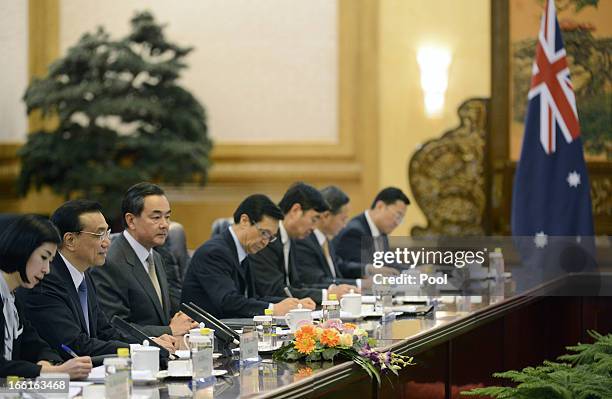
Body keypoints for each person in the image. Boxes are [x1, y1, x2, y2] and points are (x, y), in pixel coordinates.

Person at [18, 200, 175, 363]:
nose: (107, 242)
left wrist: (147, 342)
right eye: (99, 235)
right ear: (70, 240)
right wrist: (141, 350)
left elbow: (106, 331)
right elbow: (76, 345)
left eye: (107, 233)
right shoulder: (45, 280)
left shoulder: (84, 274)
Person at [89, 183, 197, 337]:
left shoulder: (156, 256)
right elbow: (114, 326)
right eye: (156, 217)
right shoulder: (109, 261)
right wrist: (170, 330)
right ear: (131, 220)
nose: (165, 225)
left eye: (167, 217)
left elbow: (163, 315)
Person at [181, 194, 312, 318]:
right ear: (244, 221)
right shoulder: (214, 253)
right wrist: (273, 309)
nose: (265, 242)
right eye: (264, 233)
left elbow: (252, 299)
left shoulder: (242, 251)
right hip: (203, 333)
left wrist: (293, 304)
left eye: (270, 237)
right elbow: (228, 301)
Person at [0, 215, 91, 378]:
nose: (46, 269)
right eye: (43, 258)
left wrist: (46, 360)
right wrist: (53, 372)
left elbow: (35, 344)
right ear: (22, 249)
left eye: (50, 261)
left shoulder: (13, 297)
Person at [250, 182, 355, 303]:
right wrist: (327, 295)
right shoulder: (267, 238)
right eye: (313, 219)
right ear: (295, 211)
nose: (314, 227)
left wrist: (331, 290)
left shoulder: (291, 238)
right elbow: (274, 290)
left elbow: (296, 285)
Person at [294, 186, 364, 289]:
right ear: (326, 216)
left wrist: (368, 269)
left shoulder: (326, 240)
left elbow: (339, 267)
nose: (345, 225)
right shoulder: (304, 241)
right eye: (343, 219)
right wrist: (360, 284)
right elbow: (316, 280)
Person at [333, 187, 410, 278]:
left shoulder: (382, 232)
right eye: (397, 216)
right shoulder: (354, 232)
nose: (397, 223)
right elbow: (356, 271)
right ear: (380, 206)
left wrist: (412, 270)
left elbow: (389, 263)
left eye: (401, 220)